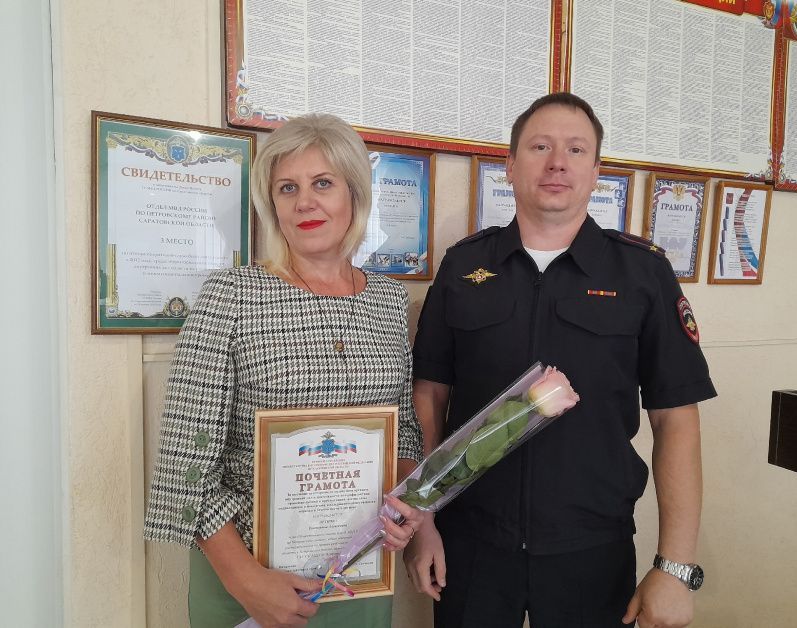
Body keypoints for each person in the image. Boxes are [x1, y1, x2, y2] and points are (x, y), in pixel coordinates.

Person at [405, 92, 716, 628]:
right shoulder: (463, 266)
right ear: (509, 165)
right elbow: (429, 396)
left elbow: (676, 420)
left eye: (576, 149)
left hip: (591, 548)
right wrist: (423, 520)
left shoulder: (642, 274)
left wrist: (675, 567)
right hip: (470, 544)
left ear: (596, 172)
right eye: (539, 147)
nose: (557, 163)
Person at [144, 113, 425, 628]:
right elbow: (185, 462)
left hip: (359, 572)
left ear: (355, 194)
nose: (305, 202)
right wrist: (245, 581)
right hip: (251, 580)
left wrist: (408, 505)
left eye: (323, 183)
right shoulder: (232, 295)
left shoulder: (388, 299)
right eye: (287, 188)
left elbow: (402, 428)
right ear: (271, 204)